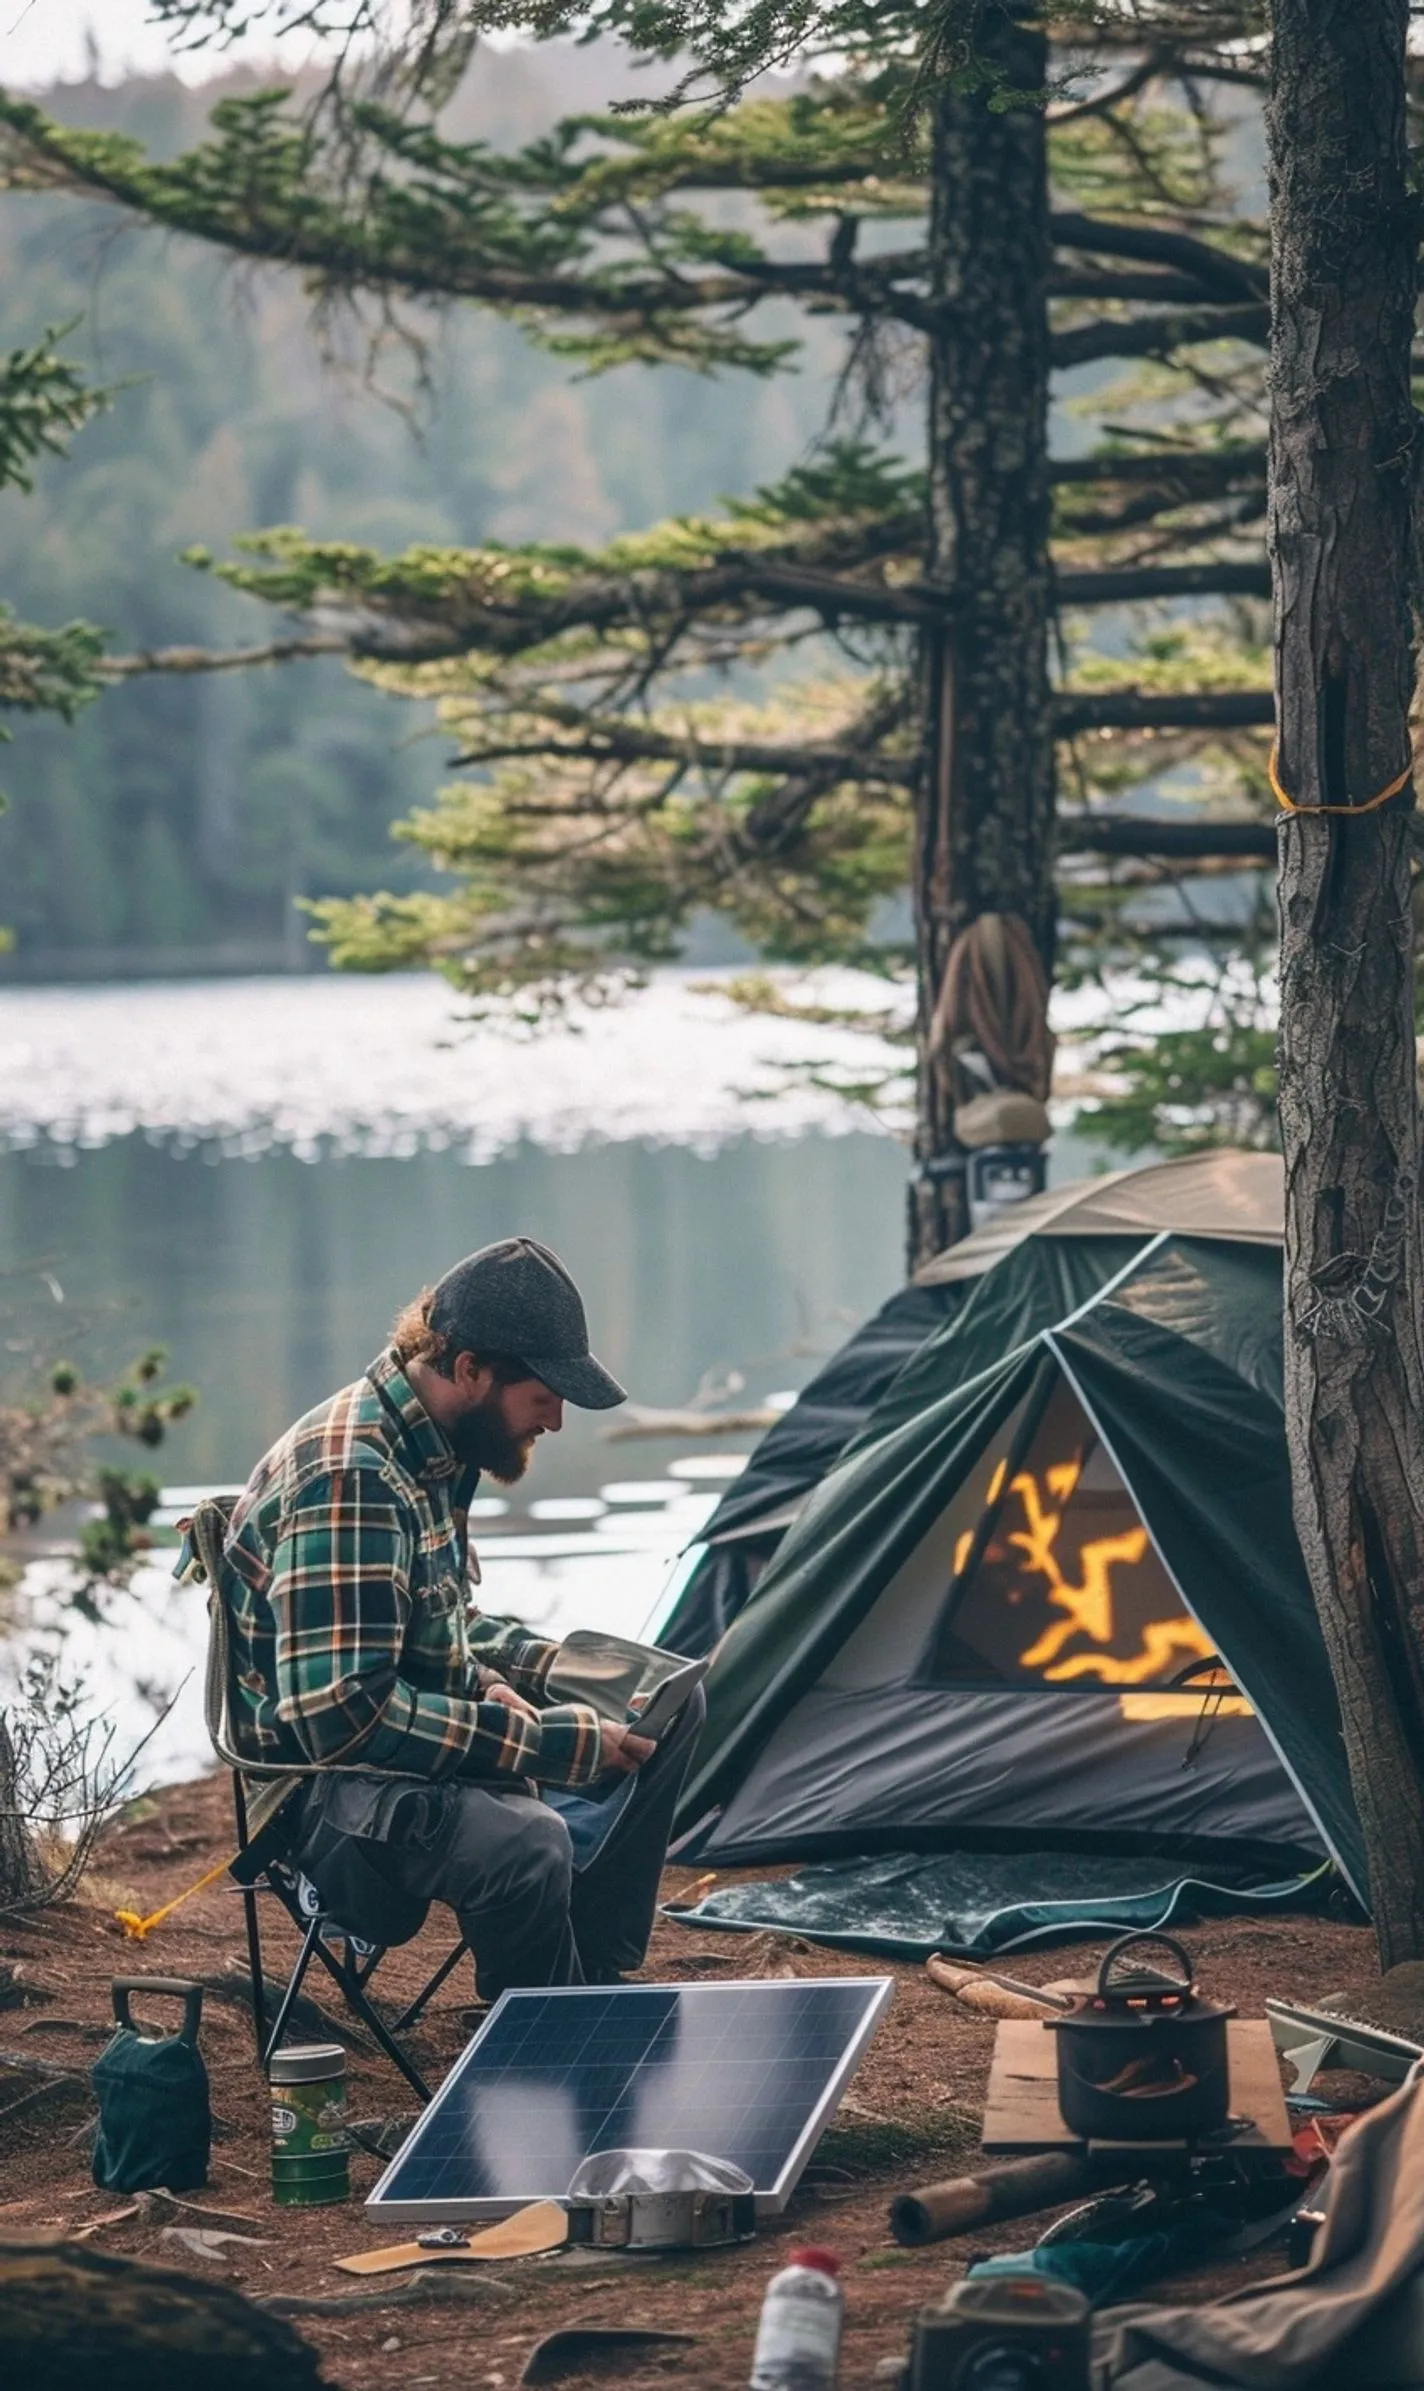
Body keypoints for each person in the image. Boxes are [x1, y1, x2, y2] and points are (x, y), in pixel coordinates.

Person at [219, 1235, 705, 2002]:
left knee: (667, 1701)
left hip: (400, 1749)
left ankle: (587, 1972)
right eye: (544, 1392)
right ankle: (541, 2044)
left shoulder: (435, 1450)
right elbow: (339, 1718)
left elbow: (426, 1623)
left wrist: (520, 1670)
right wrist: (547, 1743)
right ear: (471, 1368)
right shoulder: (355, 1478)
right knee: (532, 1841)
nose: (556, 1418)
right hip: (327, 1797)